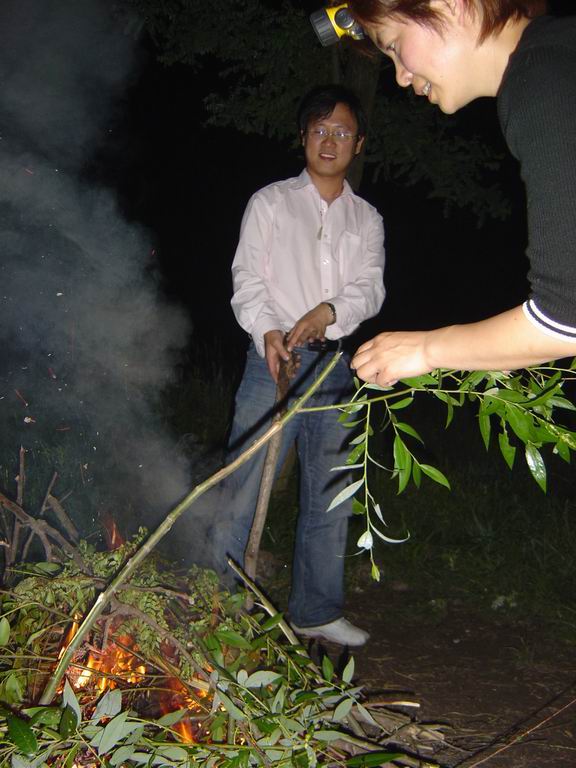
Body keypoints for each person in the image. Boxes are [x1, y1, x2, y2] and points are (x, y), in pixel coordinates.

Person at [214, 84, 385, 647]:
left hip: (334, 367)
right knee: (242, 486)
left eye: (341, 132)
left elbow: (370, 289)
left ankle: (315, 610)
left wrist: (328, 312)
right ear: (304, 137)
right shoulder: (270, 203)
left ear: (358, 143)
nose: (329, 140)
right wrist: (268, 329)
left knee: (331, 492)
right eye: (319, 130)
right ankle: (219, 606)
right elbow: (247, 279)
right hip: (272, 361)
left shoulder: (366, 219)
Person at [344, 0, 576, 386]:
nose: (400, 77)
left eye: (395, 45)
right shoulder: (556, 55)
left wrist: (427, 349)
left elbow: (567, 315)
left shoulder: (542, 78)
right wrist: (492, 351)